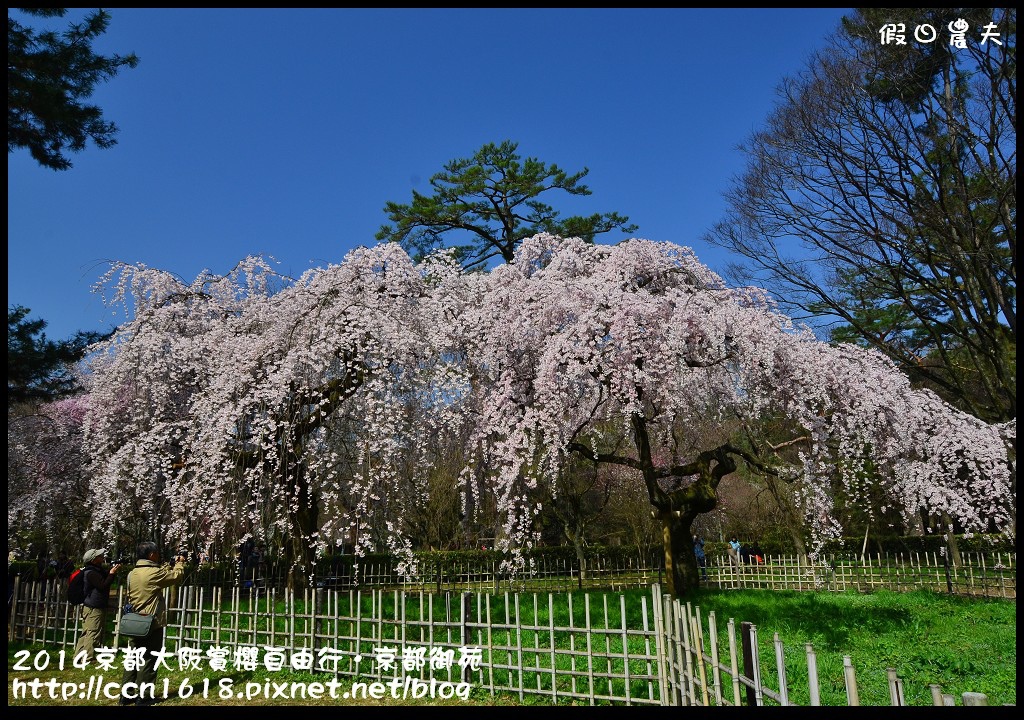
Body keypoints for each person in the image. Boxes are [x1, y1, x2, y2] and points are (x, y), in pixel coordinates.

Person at [119, 541, 186, 706]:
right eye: (156, 553)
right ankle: (144, 696)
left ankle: (126, 695)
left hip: (135, 621)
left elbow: (157, 575)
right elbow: (176, 576)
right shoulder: (153, 573)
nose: (157, 555)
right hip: (151, 623)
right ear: (151, 555)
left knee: (133, 657)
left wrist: (168, 565)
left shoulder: (132, 573)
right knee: (149, 658)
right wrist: (179, 563)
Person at [73, 548, 122, 663]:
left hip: (90, 605)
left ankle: (78, 656)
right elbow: (103, 585)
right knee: (93, 632)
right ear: (94, 560)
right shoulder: (91, 573)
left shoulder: (94, 570)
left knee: (86, 632)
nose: (102, 557)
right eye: (99, 556)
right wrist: (112, 574)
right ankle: (88, 658)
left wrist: (111, 572)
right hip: (93, 607)